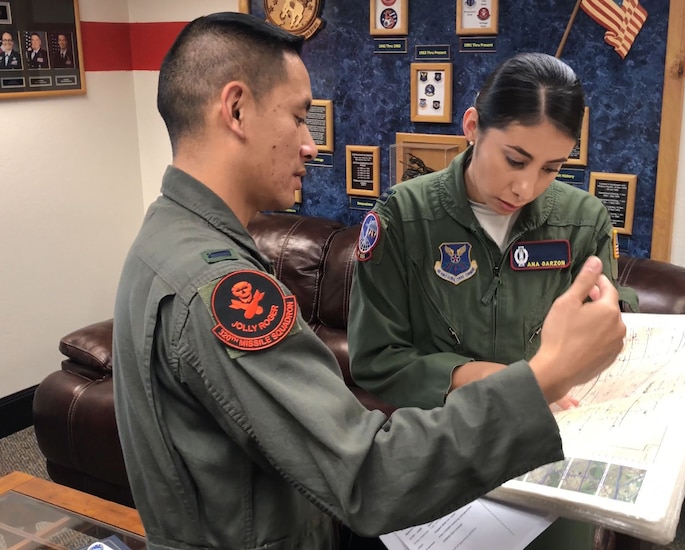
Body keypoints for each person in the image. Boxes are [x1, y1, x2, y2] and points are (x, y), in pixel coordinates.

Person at [112, 13, 627, 550]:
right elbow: (369, 474)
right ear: (236, 109)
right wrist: (539, 379)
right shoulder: (219, 287)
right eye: (298, 117)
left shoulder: (165, 235)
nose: (312, 146)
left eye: (550, 168)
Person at [348, 52, 639, 546]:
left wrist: (609, 323)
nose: (525, 187)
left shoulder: (584, 219)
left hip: (546, 462)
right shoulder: (403, 218)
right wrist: (477, 376)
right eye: (515, 159)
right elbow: (375, 357)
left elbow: (600, 330)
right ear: (472, 126)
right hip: (444, 454)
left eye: (552, 167)